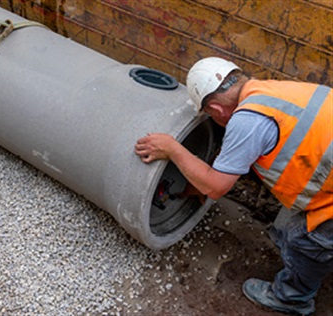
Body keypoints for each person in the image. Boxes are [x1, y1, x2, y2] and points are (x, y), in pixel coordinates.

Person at [134, 57, 333, 315]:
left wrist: (172, 149)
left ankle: (292, 299)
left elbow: (216, 188)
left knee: (304, 242)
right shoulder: (270, 91)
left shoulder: (248, 120)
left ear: (215, 109)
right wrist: (201, 180)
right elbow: (243, 152)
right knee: (289, 224)